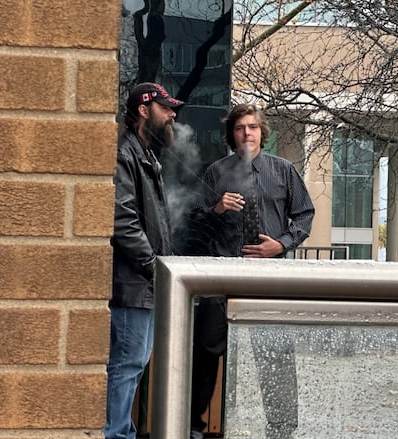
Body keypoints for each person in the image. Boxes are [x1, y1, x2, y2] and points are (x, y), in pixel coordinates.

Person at [188, 103, 315, 439]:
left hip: (268, 278)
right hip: (222, 275)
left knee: (277, 352)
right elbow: (194, 220)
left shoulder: (285, 170)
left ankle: (282, 429)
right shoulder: (216, 172)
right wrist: (216, 208)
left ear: (263, 133)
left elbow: (304, 216)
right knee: (205, 350)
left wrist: (282, 244)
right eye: (241, 127)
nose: (247, 133)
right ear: (232, 133)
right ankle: (192, 427)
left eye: (253, 127)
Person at [104, 82, 185, 439]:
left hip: (145, 286)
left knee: (133, 367)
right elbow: (123, 221)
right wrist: (154, 267)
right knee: (126, 366)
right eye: (166, 108)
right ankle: (116, 434)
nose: (172, 115)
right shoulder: (127, 154)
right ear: (143, 110)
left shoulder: (145, 155)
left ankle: (121, 431)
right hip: (134, 286)